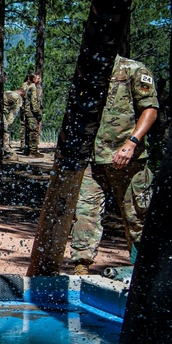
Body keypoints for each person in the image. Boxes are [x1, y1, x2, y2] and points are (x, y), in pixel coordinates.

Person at [68, 55, 158, 275]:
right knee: (85, 214)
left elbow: (150, 109)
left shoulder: (134, 70)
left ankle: (142, 271)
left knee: (137, 217)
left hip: (128, 160)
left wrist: (132, 143)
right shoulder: (88, 71)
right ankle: (81, 268)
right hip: (92, 159)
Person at [20, 72, 43, 157]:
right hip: (31, 112)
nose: (38, 80)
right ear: (33, 79)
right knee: (33, 131)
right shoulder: (33, 87)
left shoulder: (26, 86)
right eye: (37, 78)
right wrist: (37, 112)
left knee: (27, 131)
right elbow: (34, 101)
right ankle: (33, 151)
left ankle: (27, 149)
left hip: (26, 111)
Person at [3, 85, 24, 157]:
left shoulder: (8, 92)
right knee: (5, 131)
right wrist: (9, 123)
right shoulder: (18, 97)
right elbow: (14, 112)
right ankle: (7, 151)